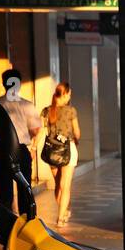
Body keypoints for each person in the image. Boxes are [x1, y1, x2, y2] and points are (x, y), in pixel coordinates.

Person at [0, 67, 42, 213]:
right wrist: (33, 147)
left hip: (0, 152)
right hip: (21, 150)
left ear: (3, 83)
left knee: (2, 194)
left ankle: (6, 228)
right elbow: (37, 130)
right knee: (25, 191)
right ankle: (26, 227)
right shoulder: (27, 105)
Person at [40, 82, 81, 225]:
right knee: (66, 186)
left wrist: (33, 147)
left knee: (58, 185)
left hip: (51, 151)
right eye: (69, 94)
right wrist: (77, 140)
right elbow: (77, 132)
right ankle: (61, 217)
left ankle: (63, 211)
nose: (70, 97)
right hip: (67, 150)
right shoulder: (71, 111)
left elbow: (40, 131)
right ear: (64, 94)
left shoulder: (46, 110)